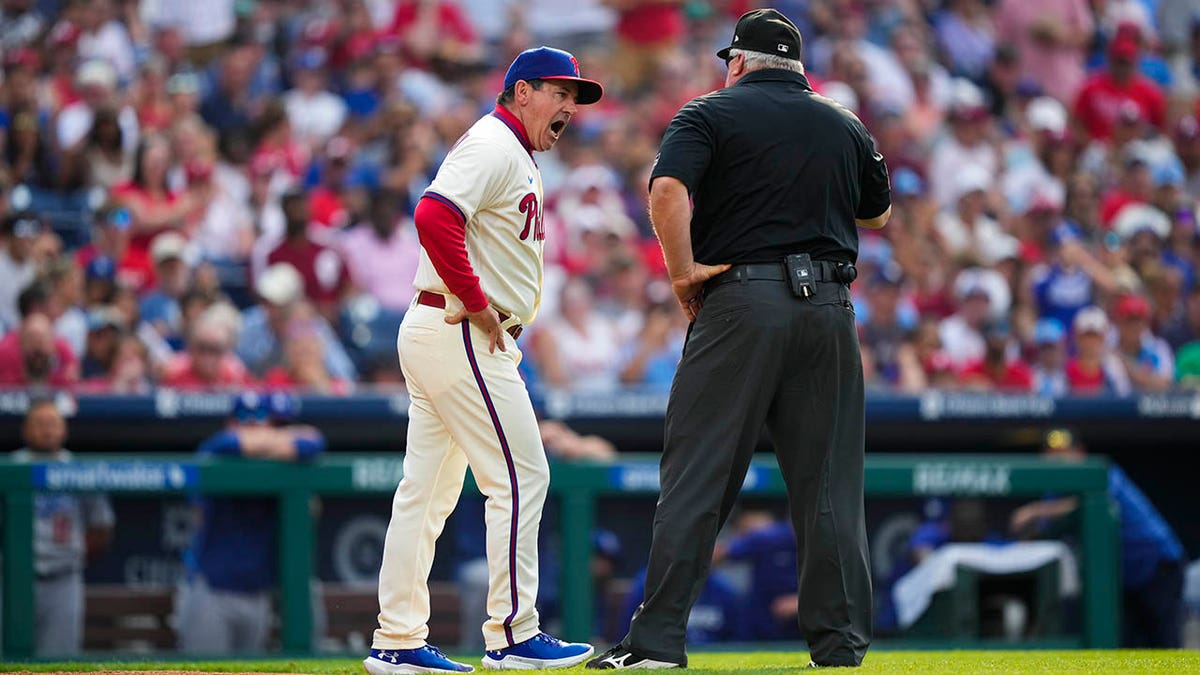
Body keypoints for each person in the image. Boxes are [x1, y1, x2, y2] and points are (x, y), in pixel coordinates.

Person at [588, 10, 890, 670]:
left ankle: (658, 641)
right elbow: (878, 209)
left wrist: (679, 273)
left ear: (740, 62)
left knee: (699, 476)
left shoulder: (711, 112)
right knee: (830, 486)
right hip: (830, 309)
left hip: (742, 301)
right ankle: (840, 650)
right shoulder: (845, 123)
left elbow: (666, 189)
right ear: (799, 68)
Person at [363, 46, 604, 675]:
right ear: (521, 92)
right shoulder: (494, 143)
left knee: (427, 495)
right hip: (461, 327)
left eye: (574, 98)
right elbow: (433, 213)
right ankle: (513, 634)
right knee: (523, 477)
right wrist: (474, 301)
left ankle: (398, 641)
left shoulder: (511, 151)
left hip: (439, 328)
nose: (569, 108)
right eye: (559, 92)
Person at [176, 390, 326, 653]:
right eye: (244, 422)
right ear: (231, 422)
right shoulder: (216, 449)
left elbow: (314, 442)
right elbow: (227, 444)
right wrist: (274, 441)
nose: (253, 429)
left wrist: (269, 443)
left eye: (261, 422)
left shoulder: (278, 465)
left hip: (257, 595)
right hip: (211, 590)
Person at [1010, 428, 1187, 647]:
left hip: (1157, 567)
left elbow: (1093, 501)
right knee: (1129, 647)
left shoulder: (1104, 472)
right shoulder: (1055, 490)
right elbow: (1045, 531)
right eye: (1052, 452)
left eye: (1064, 452)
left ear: (1080, 453)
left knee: (1164, 645)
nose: (1057, 458)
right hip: (1121, 578)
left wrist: (1034, 510)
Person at [11, 398, 115, 656]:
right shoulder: (10, 468)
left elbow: (100, 528)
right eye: (40, 424)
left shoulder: (79, 471)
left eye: (53, 424)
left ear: (64, 430)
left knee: (58, 661)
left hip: (63, 579)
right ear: (25, 430)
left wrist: (72, 555)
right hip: (11, 579)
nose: (47, 430)